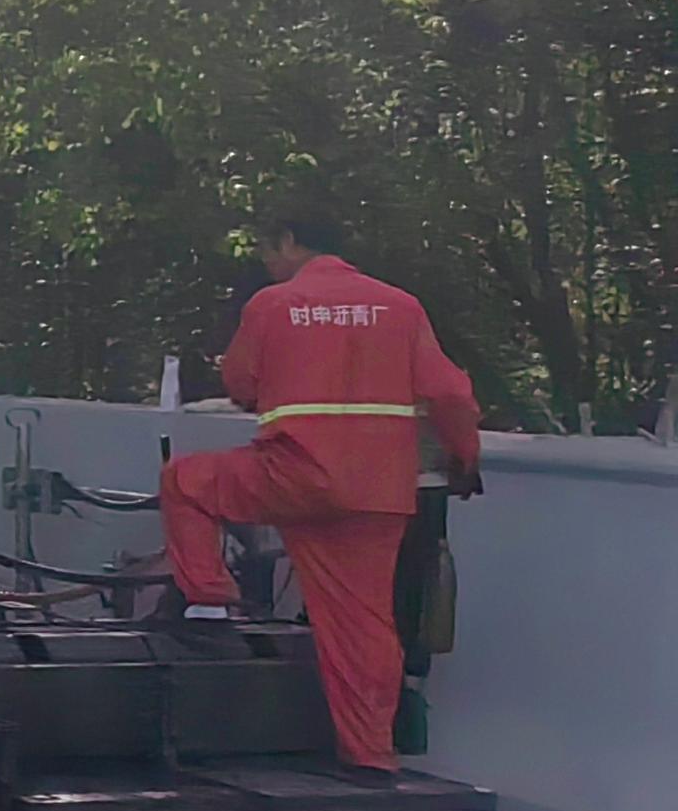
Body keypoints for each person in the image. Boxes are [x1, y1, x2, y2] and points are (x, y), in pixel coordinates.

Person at [159, 201, 483, 772]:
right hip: (379, 493)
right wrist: (464, 459)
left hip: (295, 476)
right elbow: (452, 395)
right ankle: (372, 758)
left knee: (185, 482)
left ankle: (208, 607)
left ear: (289, 240)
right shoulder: (401, 306)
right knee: (363, 626)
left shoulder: (273, 304)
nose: (267, 263)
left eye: (268, 250)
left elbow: (241, 383)